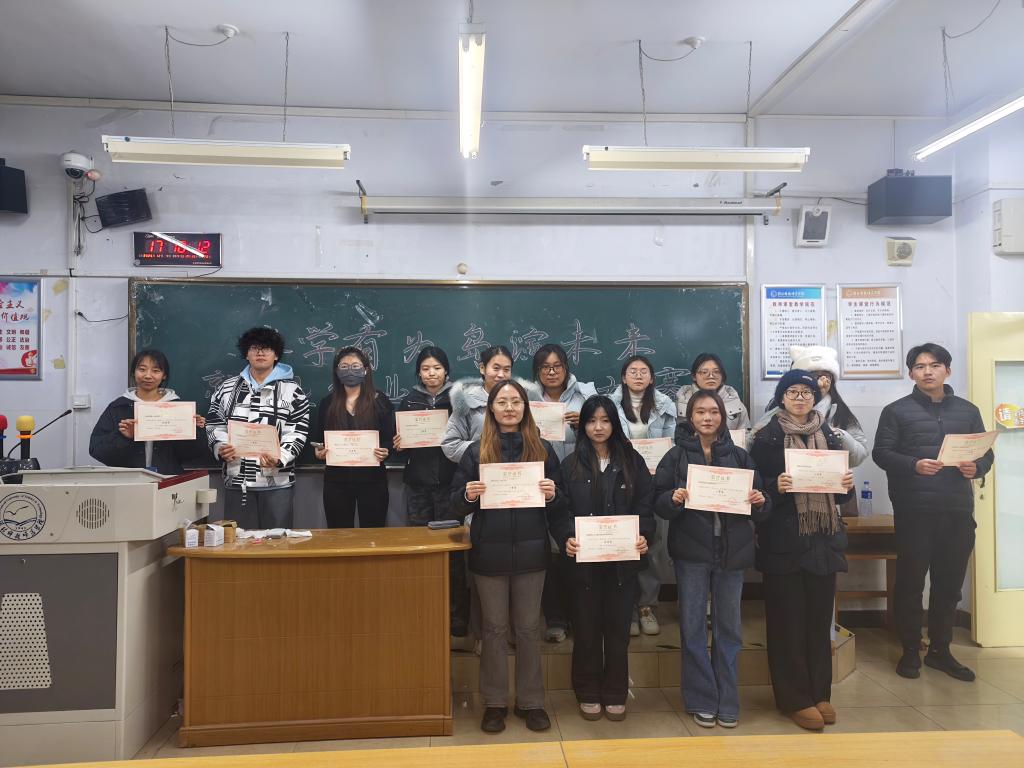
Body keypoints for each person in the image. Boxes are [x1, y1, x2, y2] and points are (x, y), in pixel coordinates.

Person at [873, 343, 994, 682]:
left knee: (949, 585)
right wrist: (914, 464)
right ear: (910, 373)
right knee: (911, 583)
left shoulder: (968, 411)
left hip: (957, 510)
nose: (927, 371)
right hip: (915, 511)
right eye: (920, 366)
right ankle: (911, 650)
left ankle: (941, 651)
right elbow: (881, 453)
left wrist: (977, 467)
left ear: (947, 370)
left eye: (935, 365)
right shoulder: (896, 411)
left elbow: (985, 453)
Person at [449, 380, 564, 734]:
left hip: (532, 553)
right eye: (502, 402)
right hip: (489, 554)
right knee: (494, 630)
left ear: (525, 408)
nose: (510, 407)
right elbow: (454, 504)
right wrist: (468, 495)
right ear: (491, 409)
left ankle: (531, 702)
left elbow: (562, 503)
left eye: (516, 401)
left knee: (528, 629)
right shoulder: (476, 451)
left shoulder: (542, 449)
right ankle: (494, 702)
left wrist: (553, 494)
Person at [655, 389, 770, 729]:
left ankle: (728, 700)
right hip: (691, 553)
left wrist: (760, 500)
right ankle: (702, 698)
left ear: (723, 416)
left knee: (729, 629)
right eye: (700, 412)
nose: (708, 417)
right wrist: (673, 498)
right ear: (690, 417)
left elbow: (763, 506)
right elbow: (657, 502)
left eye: (714, 412)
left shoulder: (740, 456)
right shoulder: (675, 456)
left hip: (732, 553)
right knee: (692, 628)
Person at [749, 369, 854, 732]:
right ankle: (794, 698)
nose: (799, 398)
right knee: (787, 624)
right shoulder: (765, 438)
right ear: (781, 397)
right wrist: (774, 487)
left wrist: (845, 485)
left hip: (824, 540)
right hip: (784, 542)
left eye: (806, 392)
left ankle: (820, 693)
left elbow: (840, 495)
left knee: (818, 622)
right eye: (792, 392)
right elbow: (753, 491)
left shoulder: (830, 435)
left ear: (816, 397)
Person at [550, 395, 653, 721]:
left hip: (622, 564)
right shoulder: (570, 464)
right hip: (583, 564)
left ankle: (615, 691)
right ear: (583, 425)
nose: (598, 427)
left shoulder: (632, 461)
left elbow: (645, 505)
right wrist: (566, 537)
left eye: (605, 420)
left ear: (614, 424)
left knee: (618, 631)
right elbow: (559, 510)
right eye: (592, 421)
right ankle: (587, 690)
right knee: (587, 629)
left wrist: (644, 535)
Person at [394, 346, 468, 635]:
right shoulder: (408, 401)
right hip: (418, 485)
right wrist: (399, 445)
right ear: (419, 373)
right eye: (425, 369)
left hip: (451, 484)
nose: (431, 373)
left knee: (452, 550)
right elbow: (397, 448)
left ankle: (457, 615)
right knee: (420, 547)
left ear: (446, 370)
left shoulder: (458, 399)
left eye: (437, 368)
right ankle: (422, 610)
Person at [207, 327, 310, 530]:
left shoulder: (293, 392)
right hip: (237, 481)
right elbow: (214, 423)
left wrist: (279, 457)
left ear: (276, 355)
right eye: (254, 348)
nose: (260, 353)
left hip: (278, 481)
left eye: (267, 348)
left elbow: (297, 431)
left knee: (277, 543)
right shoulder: (226, 389)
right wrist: (221, 447)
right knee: (239, 542)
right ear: (246, 353)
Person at [533, 343, 598, 643]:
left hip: (578, 478)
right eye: (545, 367)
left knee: (575, 544)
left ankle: (579, 615)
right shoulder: (528, 399)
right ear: (537, 372)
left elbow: (603, 432)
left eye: (557, 365)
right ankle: (555, 617)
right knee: (548, 551)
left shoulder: (585, 396)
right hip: (540, 481)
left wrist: (581, 425)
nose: (551, 372)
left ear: (566, 367)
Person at [609, 354, 677, 636]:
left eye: (644, 371)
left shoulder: (666, 405)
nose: (638, 375)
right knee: (622, 544)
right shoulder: (609, 405)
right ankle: (626, 610)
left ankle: (647, 606)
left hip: (654, 483)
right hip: (619, 482)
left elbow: (672, 446)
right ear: (623, 378)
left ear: (651, 378)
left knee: (652, 545)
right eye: (633, 371)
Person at [311, 346, 395, 528]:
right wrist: (319, 452)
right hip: (336, 481)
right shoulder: (327, 403)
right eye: (344, 366)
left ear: (366, 370)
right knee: (339, 534)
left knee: (373, 534)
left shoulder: (380, 401)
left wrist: (386, 450)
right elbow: (319, 441)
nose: (350, 371)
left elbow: (390, 439)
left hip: (373, 480)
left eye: (355, 366)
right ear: (336, 371)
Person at [90, 348, 208, 475]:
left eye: (156, 371)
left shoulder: (179, 409)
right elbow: (97, 450)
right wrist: (124, 437)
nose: (148, 375)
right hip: (130, 480)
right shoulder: (118, 407)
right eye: (142, 369)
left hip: (168, 479)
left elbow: (195, 453)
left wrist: (194, 431)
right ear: (134, 372)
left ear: (164, 375)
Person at [751, 345, 868, 468]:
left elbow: (859, 455)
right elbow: (757, 451)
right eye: (814, 375)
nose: (822, 381)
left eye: (826, 376)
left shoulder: (839, 411)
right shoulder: (778, 409)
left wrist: (839, 435)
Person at [442, 345, 540, 465]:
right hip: (481, 471)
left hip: (520, 471)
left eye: (506, 370)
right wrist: (487, 451)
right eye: (496, 368)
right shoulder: (466, 402)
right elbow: (451, 445)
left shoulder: (523, 399)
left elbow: (535, 437)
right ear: (482, 368)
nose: (501, 375)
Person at [674, 352, 750, 443]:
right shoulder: (681, 402)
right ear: (694, 376)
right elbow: (673, 437)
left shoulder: (736, 403)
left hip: (728, 451)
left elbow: (745, 437)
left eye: (716, 372)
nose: (711, 376)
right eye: (704, 372)